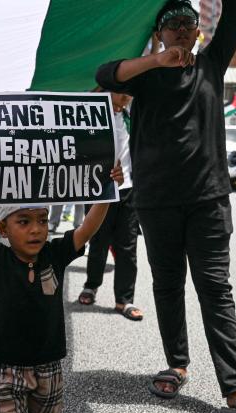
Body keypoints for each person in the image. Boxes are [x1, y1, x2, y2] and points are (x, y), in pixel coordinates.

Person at [96, 0, 236, 413]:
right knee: (167, 285)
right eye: (172, 24)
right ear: (160, 33)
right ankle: (177, 365)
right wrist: (155, 60)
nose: (181, 30)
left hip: (208, 203)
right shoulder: (146, 76)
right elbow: (104, 74)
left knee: (215, 289)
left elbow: (235, 15)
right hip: (156, 202)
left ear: (198, 33)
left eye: (188, 24)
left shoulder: (211, 66)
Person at [0, 156, 123, 413]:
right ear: (2, 229)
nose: (36, 229)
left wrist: (107, 190)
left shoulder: (55, 254)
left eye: (43, 220)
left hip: (50, 367)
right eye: (23, 222)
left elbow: (88, 228)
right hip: (5, 369)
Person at [78, 93, 143, 322]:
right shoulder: (94, 115)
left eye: (129, 91)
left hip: (128, 190)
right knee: (98, 241)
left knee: (128, 246)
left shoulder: (132, 116)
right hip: (100, 189)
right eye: (121, 89)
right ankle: (91, 286)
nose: (126, 96)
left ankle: (124, 299)